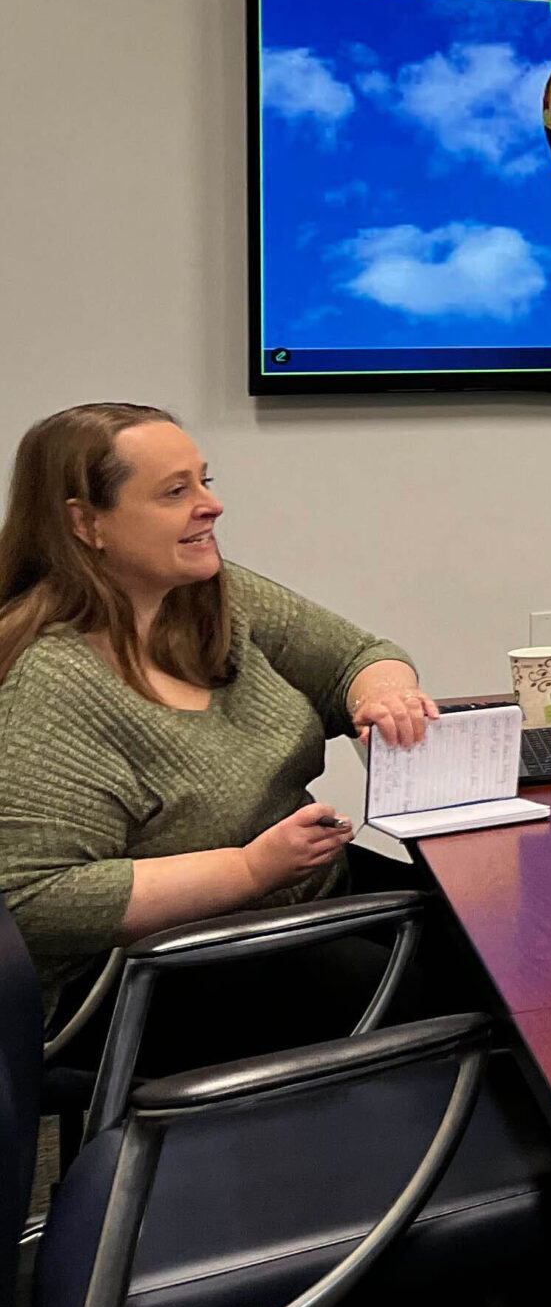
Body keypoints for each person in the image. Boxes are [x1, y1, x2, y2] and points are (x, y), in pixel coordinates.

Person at [0, 403, 439, 1057]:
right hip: (147, 974)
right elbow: (34, 898)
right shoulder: (53, 683)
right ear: (85, 523)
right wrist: (247, 869)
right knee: (472, 1004)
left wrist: (388, 695)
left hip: (296, 903)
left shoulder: (213, 596)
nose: (211, 506)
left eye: (205, 481)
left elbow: (358, 655)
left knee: (502, 946)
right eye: (176, 492)